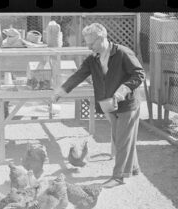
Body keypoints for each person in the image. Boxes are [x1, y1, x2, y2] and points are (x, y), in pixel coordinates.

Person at [51, 23, 145, 188]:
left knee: (122, 139)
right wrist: (62, 90)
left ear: (102, 38)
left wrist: (122, 91)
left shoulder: (123, 53)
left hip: (127, 103)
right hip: (109, 104)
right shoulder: (93, 59)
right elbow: (79, 75)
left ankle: (118, 176)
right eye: (87, 43)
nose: (88, 47)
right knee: (120, 137)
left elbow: (139, 74)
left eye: (91, 43)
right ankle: (134, 168)